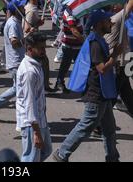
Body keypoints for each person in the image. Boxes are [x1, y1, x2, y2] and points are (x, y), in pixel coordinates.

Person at [53, 10, 121, 162]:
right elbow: (101, 68)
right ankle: (62, 153)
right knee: (86, 126)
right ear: (99, 23)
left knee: (109, 130)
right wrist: (115, 54)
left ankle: (113, 158)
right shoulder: (95, 42)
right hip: (96, 93)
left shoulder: (99, 39)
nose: (111, 23)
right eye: (108, 21)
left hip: (104, 93)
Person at [16, 32, 52, 162]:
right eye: (41, 48)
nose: (44, 51)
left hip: (40, 118)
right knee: (30, 158)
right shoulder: (29, 72)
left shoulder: (37, 64)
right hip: (32, 123)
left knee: (46, 150)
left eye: (44, 47)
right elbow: (29, 104)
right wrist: (36, 132)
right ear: (30, 49)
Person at [23, 0, 53, 92]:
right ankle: (44, 86)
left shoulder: (28, 6)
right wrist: (38, 24)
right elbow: (27, 29)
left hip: (32, 42)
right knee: (44, 62)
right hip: (33, 42)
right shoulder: (32, 10)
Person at [54, 7, 84, 93]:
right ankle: (82, 86)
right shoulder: (70, 13)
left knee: (67, 65)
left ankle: (60, 83)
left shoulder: (74, 10)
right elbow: (74, 30)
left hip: (74, 45)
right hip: (71, 45)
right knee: (81, 66)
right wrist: (85, 42)